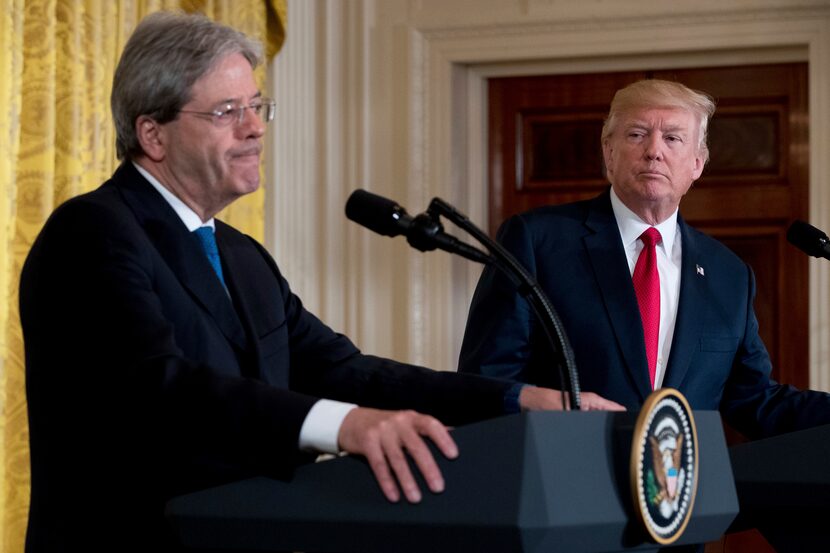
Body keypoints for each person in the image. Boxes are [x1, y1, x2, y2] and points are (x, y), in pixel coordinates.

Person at [19, 12, 624, 553]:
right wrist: (345, 425)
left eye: (257, 105)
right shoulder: (93, 231)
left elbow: (344, 370)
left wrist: (517, 401)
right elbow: (163, 390)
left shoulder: (241, 255)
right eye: (227, 112)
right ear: (153, 134)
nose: (255, 128)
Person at [459, 79, 830, 439]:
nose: (654, 150)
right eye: (637, 134)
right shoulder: (537, 240)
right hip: (565, 483)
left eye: (672, 138)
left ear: (697, 163)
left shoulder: (729, 274)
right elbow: (490, 378)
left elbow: (753, 399)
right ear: (608, 151)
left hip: (678, 493)